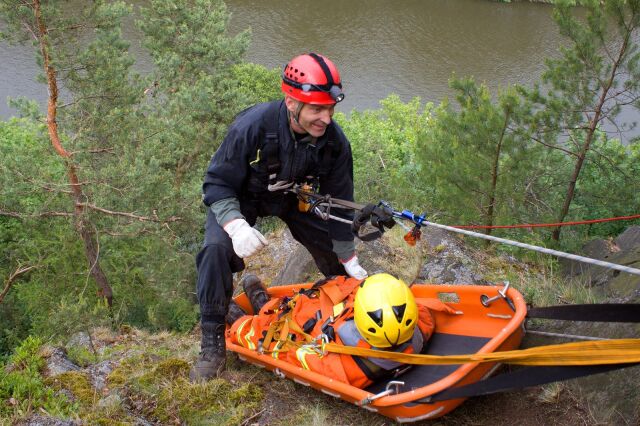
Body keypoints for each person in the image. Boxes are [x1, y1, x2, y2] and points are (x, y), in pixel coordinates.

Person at [190, 53, 368, 382]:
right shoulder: (252, 127)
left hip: (291, 198)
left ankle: (338, 311)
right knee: (214, 252)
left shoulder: (334, 142)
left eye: (330, 108)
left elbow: (341, 203)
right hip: (241, 197)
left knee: (339, 260)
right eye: (316, 109)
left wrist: (347, 254)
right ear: (291, 102)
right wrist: (235, 223)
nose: (325, 119)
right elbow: (216, 183)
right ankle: (212, 341)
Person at [228, 273, 448, 388]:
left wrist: (241, 329)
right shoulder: (421, 322)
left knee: (279, 328)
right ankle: (266, 307)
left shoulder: (344, 369)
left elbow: (289, 355)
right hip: (334, 317)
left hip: (315, 332)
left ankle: (247, 317)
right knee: (303, 307)